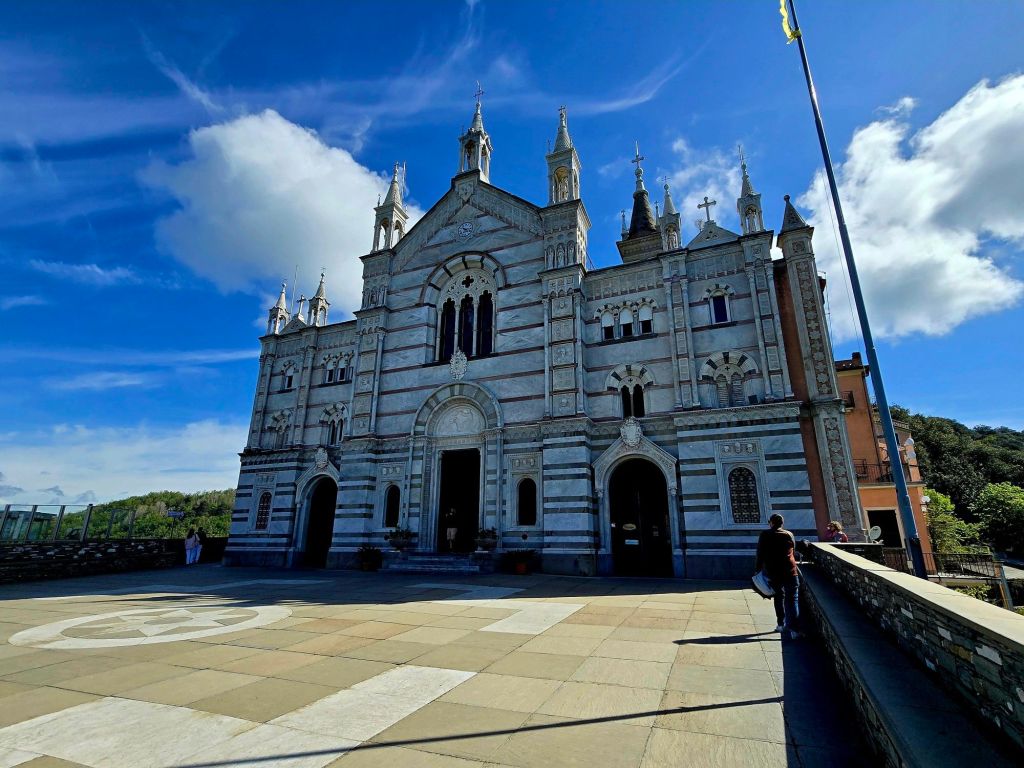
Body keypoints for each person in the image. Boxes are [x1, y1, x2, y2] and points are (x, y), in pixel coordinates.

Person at [755, 514, 801, 638]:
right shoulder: (789, 534)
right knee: (793, 600)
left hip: (774, 572)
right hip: (791, 571)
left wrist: (757, 570)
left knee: (779, 597)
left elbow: (760, 553)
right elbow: (794, 549)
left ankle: (780, 624)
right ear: (782, 523)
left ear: (771, 523)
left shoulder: (765, 535)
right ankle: (794, 630)